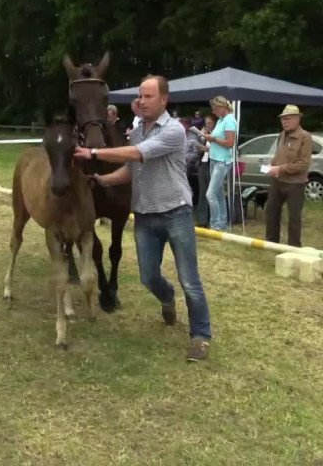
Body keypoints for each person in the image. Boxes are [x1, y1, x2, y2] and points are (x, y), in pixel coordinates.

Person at [73, 75, 212, 362]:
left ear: (164, 100)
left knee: (191, 280)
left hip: (176, 213)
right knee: (148, 277)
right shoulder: (136, 133)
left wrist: (94, 152)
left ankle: (200, 336)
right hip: (146, 216)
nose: (142, 100)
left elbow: (138, 154)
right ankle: (167, 297)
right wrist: (102, 179)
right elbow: (131, 169)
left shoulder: (174, 131)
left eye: (149, 96)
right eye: (141, 95)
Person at [265, 105, 313, 247]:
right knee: (271, 213)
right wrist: (271, 166)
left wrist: (280, 168)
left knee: (294, 218)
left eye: (288, 119)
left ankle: (294, 248)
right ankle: (271, 245)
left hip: (295, 184)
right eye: (282, 119)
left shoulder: (305, 137)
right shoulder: (281, 135)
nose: (284, 122)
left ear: (297, 119)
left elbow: (303, 164)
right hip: (277, 181)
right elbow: (278, 156)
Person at [202, 96, 238, 231]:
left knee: (210, 194)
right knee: (218, 194)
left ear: (222, 107)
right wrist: (208, 137)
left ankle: (216, 225)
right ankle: (223, 224)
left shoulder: (229, 121)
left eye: (215, 109)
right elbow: (216, 140)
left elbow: (230, 143)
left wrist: (213, 139)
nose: (214, 112)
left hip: (222, 161)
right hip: (214, 159)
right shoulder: (221, 120)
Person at [195, 115, 216, 227]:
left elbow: (220, 149)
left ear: (214, 123)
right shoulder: (205, 135)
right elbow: (202, 149)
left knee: (210, 193)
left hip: (211, 164)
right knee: (202, 192)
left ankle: (211, 219)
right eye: (206, 123)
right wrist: (201, 143)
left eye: (209, 123)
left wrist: (207, 148)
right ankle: (202, 220)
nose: (208, 125)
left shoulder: (216, 135)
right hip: (203, 164)